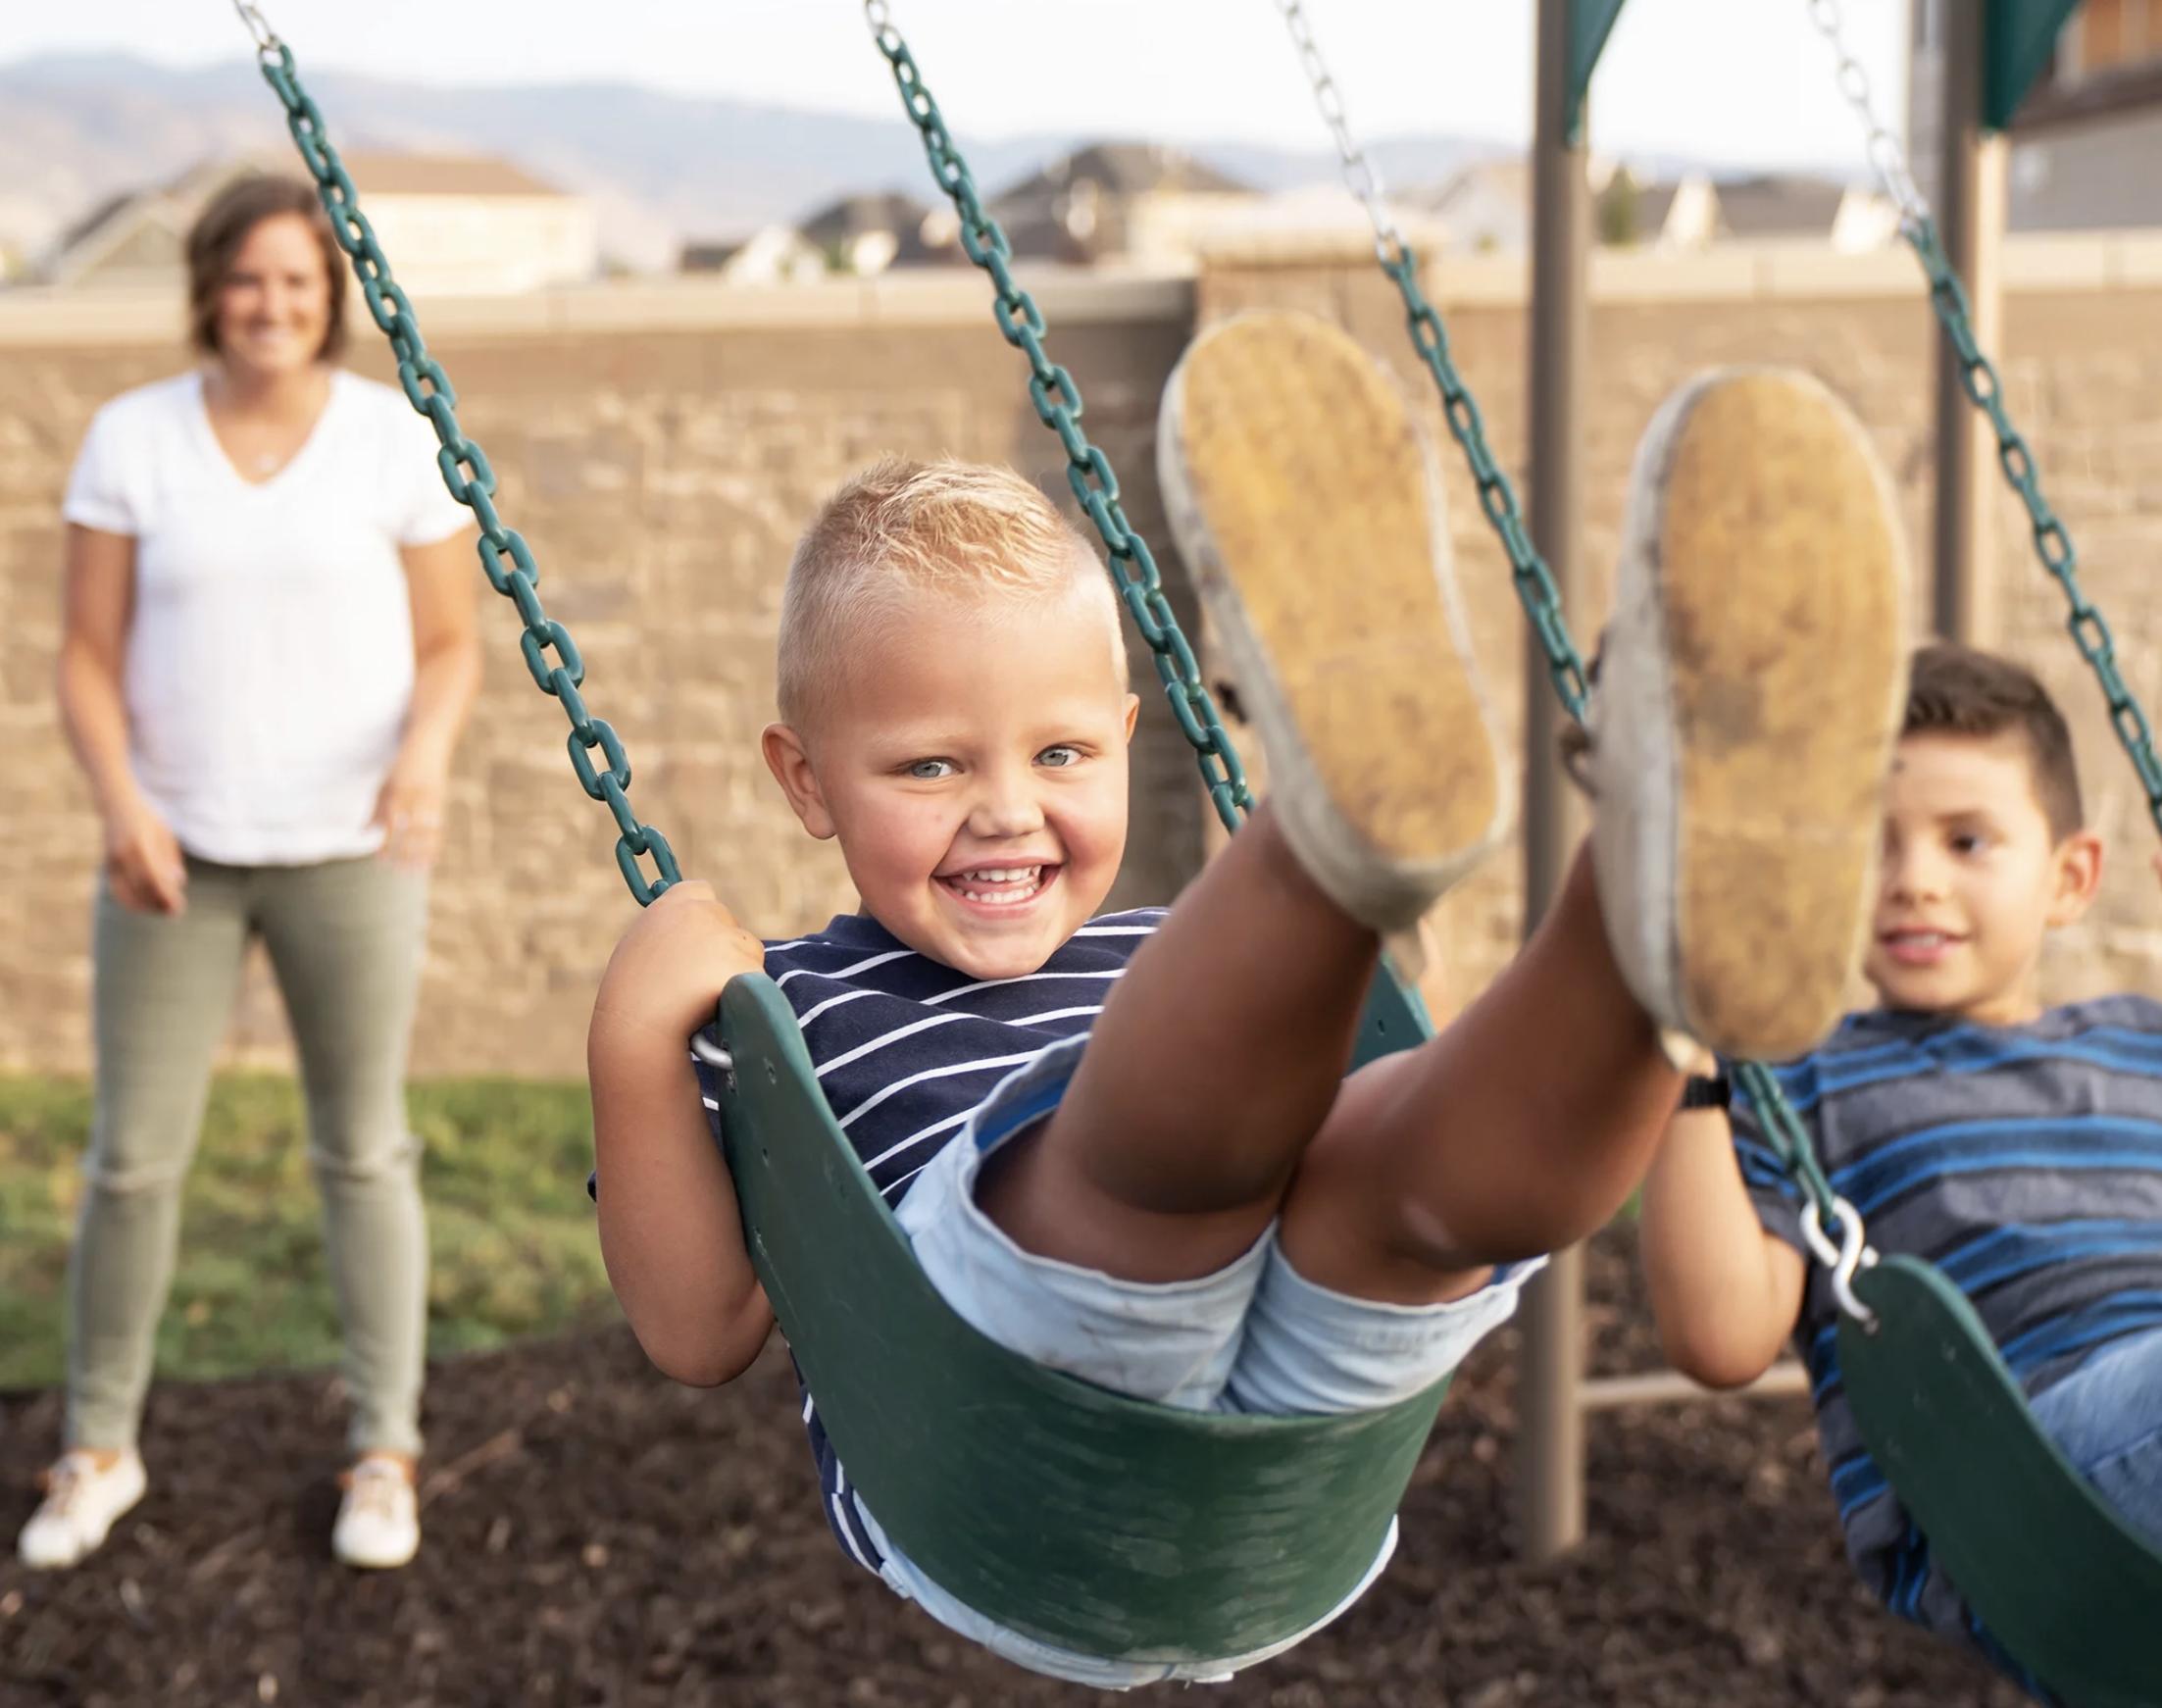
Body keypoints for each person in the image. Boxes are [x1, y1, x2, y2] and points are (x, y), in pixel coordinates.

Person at [586, 313, 1911, 1685]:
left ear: (1125, 739)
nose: (1007, 809)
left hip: (1289, 1477)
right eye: (930, 766)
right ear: (804, 780)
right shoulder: (783, 1009)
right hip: (998, 1448)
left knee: (1405, 1180)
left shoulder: (1195, 961)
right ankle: (1329, 835)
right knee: (1139, 1170)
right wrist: (638, 1032)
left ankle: (1636, 897)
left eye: (1060, 752)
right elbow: (700, 1330)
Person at [18, 174, 481, 1574]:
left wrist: (424, 759)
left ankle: (385, 1451)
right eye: (246, 278)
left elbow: (451, 644)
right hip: (173, 856)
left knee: (363, 1148)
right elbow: (85, 655)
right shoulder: (134, 439)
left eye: (297, 280)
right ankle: (99, 1445)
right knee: (131, 1159)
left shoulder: (391, 440)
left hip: (352, 854)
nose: (270, 304)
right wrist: (122, 809)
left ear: (330, 296)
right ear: (208, 288)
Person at [1640, 640, 2162, 1672]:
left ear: (2070, 878)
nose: (1913, 881)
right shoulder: (1801, 1082)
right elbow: (1720, 1338)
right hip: (2019, 1481)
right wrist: (1688, 1059)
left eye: (1965, 841)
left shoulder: (2142, 1040)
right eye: (1869, 846)